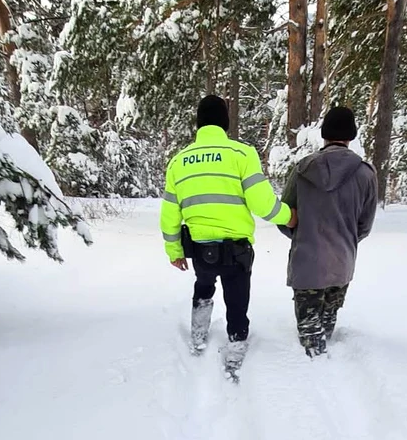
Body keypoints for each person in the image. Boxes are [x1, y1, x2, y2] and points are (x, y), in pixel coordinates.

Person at [160, 95, 297, 374]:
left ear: (198, 124)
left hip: (200, 250)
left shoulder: (178, 162)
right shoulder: (242, 155)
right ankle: (235, 347)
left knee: (203, 287)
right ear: (225, 123)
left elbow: (170, 214)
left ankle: (198, 335)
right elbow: (261, 204)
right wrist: (288, 216)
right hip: (237, 252)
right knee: (237, 298)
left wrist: (174, 251)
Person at [279, 106, 377, 357]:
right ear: (351, 136)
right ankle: (327, 367)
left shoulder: (303, 169)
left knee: (309, 341)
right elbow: (364, 226)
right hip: (341, 264)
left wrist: (303, 235)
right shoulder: (366, 174)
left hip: (306, 265)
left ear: (324, 134)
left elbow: (284, 216)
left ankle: (313, 375)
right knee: (327, 327)